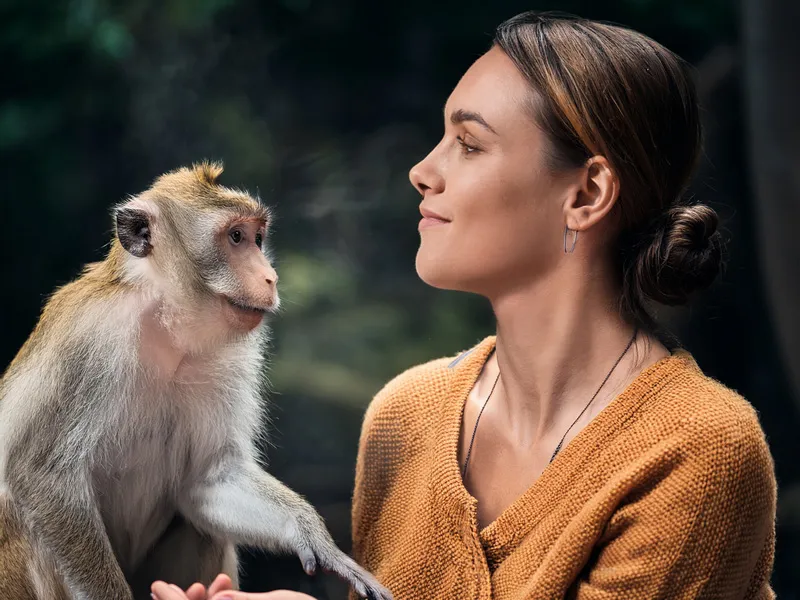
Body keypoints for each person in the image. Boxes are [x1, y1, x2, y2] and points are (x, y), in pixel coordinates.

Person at [153, 10, 777, 600]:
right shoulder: (404, 416)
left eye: (469, 144)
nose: (423, 171)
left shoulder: (698, 450)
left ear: (586, 194)